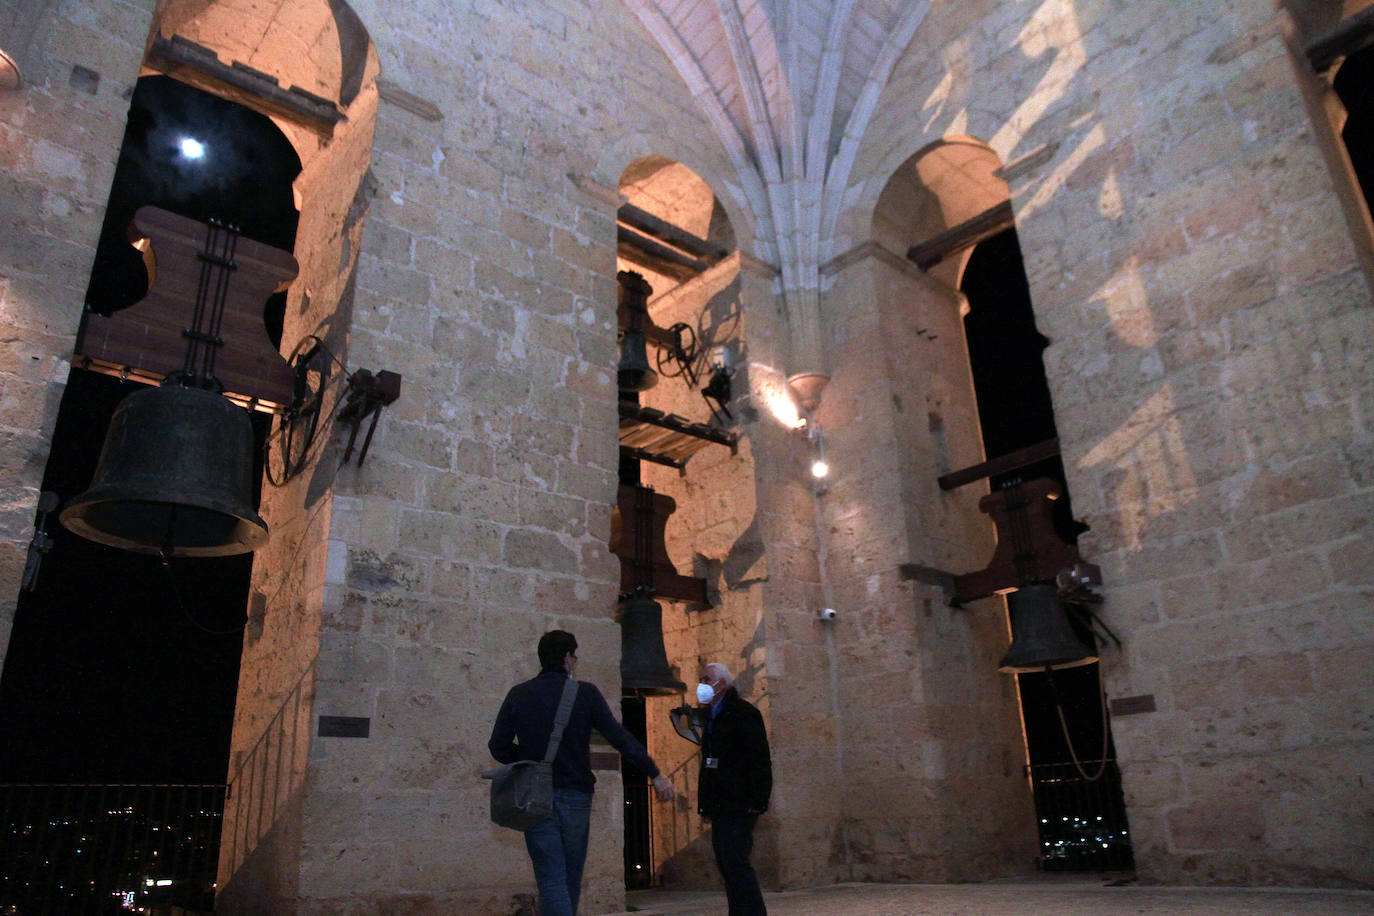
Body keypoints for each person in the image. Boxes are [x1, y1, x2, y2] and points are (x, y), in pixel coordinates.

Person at [489, 629, 674, 916]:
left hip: (535, 797)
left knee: (551, 879)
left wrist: (529, 764)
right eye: (573, 656)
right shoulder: (585, 694)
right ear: (566, 658)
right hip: (576, 795)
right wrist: (655, 772)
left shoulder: (520, 694)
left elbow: (498, 745)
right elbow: (619, 737)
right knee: (570, 877)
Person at [696, 661, 772, 916]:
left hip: (740, 801)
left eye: (707, 679)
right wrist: (705, 804)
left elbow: (758, 757)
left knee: (736, 862)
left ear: (722, 684)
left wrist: (759, 799)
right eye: (702, 679)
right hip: (721, 803)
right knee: (727, 864)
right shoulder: (712, 716)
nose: (702, 684)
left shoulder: (742, 713)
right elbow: (708, 763)